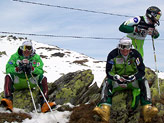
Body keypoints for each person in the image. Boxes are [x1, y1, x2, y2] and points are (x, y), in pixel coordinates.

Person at [93, 37, 158, 122]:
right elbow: (109, 71)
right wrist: (115, 77)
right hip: (118, 81)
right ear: (119, 46)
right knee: (107, 82)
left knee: (144, 81)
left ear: (131, 47)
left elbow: (141, 71)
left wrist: (134, 77)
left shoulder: (136, 55)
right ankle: (104, 110)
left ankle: (147, 109)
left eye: (127, 47)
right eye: (122, 47)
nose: (125, 50)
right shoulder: (113, 54)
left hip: (132, 81)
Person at [1, 40, 56, 113]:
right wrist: (17, 69)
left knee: (43, 77)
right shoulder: (15, 57)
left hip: (31, 80)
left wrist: (32, 69)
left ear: (32, 49)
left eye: (29, 48)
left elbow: (40, 70)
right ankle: (8, 99)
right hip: (18, 81)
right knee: (8, 76)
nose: (26, 50)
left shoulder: (36, 58)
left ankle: (44, 103)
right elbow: (8, 68)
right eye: (24, 48)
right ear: (21, 48)